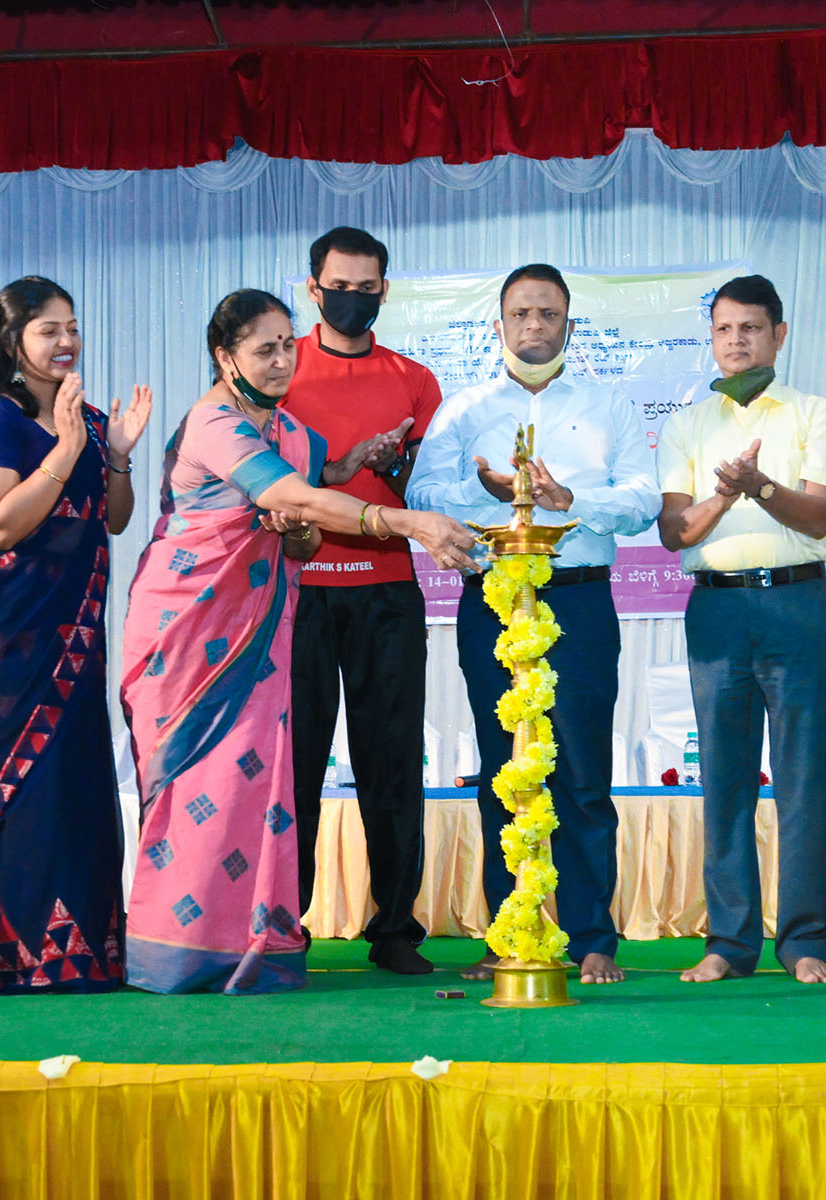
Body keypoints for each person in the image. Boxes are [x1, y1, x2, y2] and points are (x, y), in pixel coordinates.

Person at [119, 289, 478, 996]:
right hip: (188, 627)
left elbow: (303, 533)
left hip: (257, 628)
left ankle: (250, 940)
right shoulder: (215, 423)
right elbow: (298, 497)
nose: (283, 359)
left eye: (287, 345)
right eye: (265, 349)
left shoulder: (290, 432)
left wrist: (316, 512)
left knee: (251, 783)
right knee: (195, 784)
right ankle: (176, 952)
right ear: (225, 358)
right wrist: (408, 523)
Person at [408, 264, 659, 987]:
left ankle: (592, 937)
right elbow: (422, 494)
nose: (534, 326)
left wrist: (570, 498)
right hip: (493, 599)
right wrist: (481, 489)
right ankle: (509, 932)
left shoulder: (610, 405)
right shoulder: (464, 410)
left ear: (569, 326)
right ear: (499, 326)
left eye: (548, 314)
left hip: (578, 600)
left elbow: (642, 500)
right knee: (502, 769)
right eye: (521, 313)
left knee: (581, 770)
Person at [0, 277, 150, 994]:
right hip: (10, 635)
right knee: (23, 789)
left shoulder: (89, 418)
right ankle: (16, 958)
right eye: (48, 330)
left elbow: (115, 518)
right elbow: (0, 523)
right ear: (14, 342)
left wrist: (116, 452)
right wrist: (66, 450)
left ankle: (89, 953)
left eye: (72, 326)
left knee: (78, 783)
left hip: (77, 631)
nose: (66, 341)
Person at [654, 275, 826, 987]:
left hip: (797, 606)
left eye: (751, 328)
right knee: (725, 780)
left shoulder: (816, 413)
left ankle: (807, 942)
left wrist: (761, 486)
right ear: (711, 338)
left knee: (803, 779)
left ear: (779, 335)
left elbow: (819, 516)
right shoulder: (686, 424)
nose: (736, 341)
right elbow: (674, 531)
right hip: (717, 611)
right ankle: (730, 943)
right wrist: (724, 493)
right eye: (724, 329)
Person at [280, 227, 444, 975]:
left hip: (386, 593)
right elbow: (261, 478)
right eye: (339, 287)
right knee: (294, 768)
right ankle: (284, 923)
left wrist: (395, 466)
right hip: (297, 596)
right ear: (313, 289)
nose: (353, 298)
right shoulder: (281, 370)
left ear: (384, 290)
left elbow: (431, 489)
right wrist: (339, 468)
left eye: (367, 288)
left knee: (392, 763)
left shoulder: (414, 379)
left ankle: (396, 927)